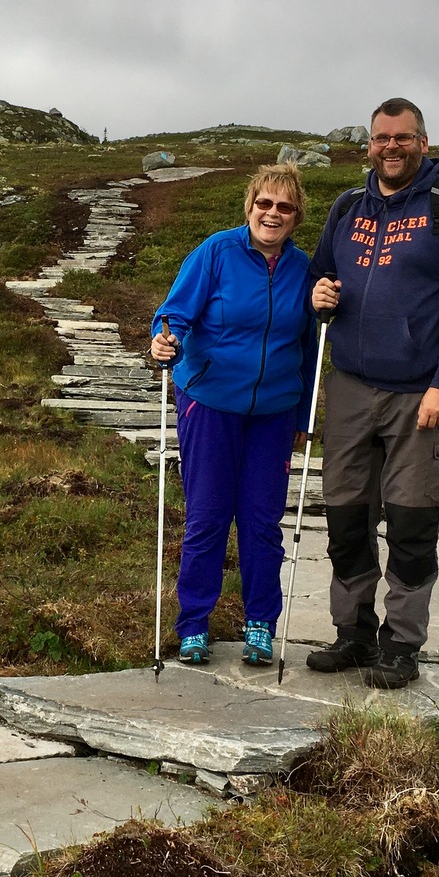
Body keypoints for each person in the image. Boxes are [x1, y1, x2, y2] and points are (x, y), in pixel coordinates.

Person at [305, 97, 439, 688]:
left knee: (412, 524)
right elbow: (318, 275)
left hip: (421, 397)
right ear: (369, 144)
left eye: (403, 137)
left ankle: (401, 643)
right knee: (346, 520)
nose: (392, 146)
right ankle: (353, 634)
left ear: (423, 142)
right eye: (382, 137)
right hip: (352, 388)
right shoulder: (347, 207)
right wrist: (319, 297)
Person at [150, 163, 319, 666]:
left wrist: (304, 418)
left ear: (296, 216)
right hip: (211, 403)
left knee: (263, 522)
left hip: (273, 410)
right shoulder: (217, 252)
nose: (272, 213)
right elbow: (175, 311)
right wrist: (166, 339)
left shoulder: (302, 269)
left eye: (284, 207)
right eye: (264, 203)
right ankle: (194, 625)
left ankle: (261, 624)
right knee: (207, 516)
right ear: (250, 206)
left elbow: (309, 346)